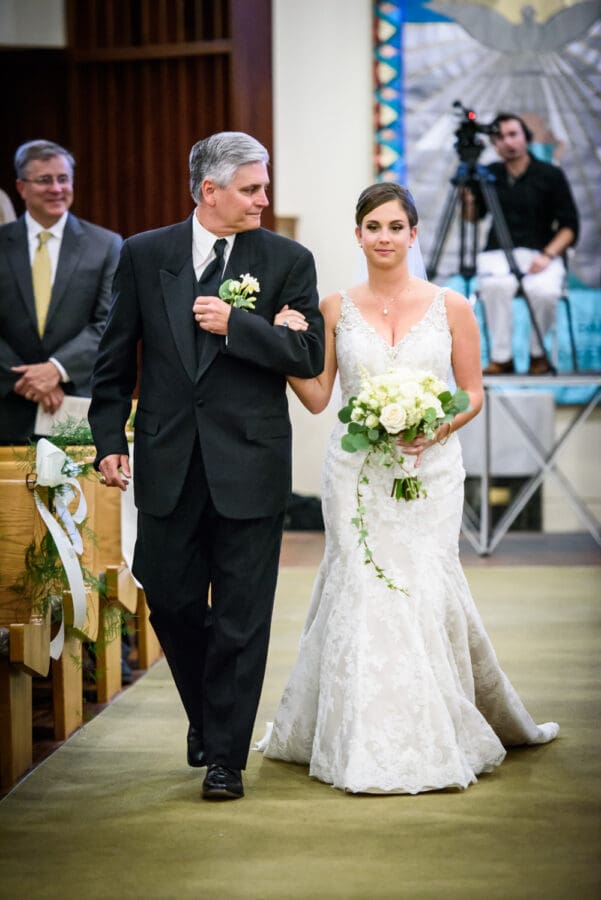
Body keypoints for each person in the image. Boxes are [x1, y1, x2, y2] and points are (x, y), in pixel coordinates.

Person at [259, 182, 559, 794]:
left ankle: (434, 725)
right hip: (356, 475)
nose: (385, 238)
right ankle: (360, 736)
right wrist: (283, 345)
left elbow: (473, 392)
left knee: (421, 586)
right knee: (364, 591)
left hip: (432, 473)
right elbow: (319, 399)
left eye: (396, 227)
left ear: (414, 234)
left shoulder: (452, 306)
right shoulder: (335, 307)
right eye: (373, 227)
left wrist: (437, 424)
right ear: (358, 234)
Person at [88, 131, 325, 801]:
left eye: (263, 185)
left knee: (242, 616)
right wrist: (109, 438)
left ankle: (225, 758)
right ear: (208, 191)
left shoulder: (287, 259)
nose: (263, 199)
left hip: (249, 462)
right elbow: (113, 363)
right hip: (166, 460)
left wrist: (239, 326)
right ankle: (207, 712)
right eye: (251, 188)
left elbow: (309, 361)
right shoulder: (143, 254)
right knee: (169, 593)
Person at [0, 140, 122, 443]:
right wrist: (26, 379)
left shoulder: (105, 245)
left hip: (73, 406)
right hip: (7, 405)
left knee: (79, 490)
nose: (56, 188)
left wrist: (56, 369)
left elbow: (109, 322)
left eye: (63, 178)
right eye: (44, 180)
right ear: (21, 187)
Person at [469, 112, 579, 375]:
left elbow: (570, 226)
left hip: (539, 252)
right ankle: (501, 357)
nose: (507, 142)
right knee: (494, 286)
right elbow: (472, 217)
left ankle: (537, 354)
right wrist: (468, 188)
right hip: (497, 253)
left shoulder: (549, 174)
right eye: (499, 137)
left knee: (543, 292)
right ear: (494, 144)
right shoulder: (488, 175)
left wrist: (548, 255)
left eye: (512, 134)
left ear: (525, 137)